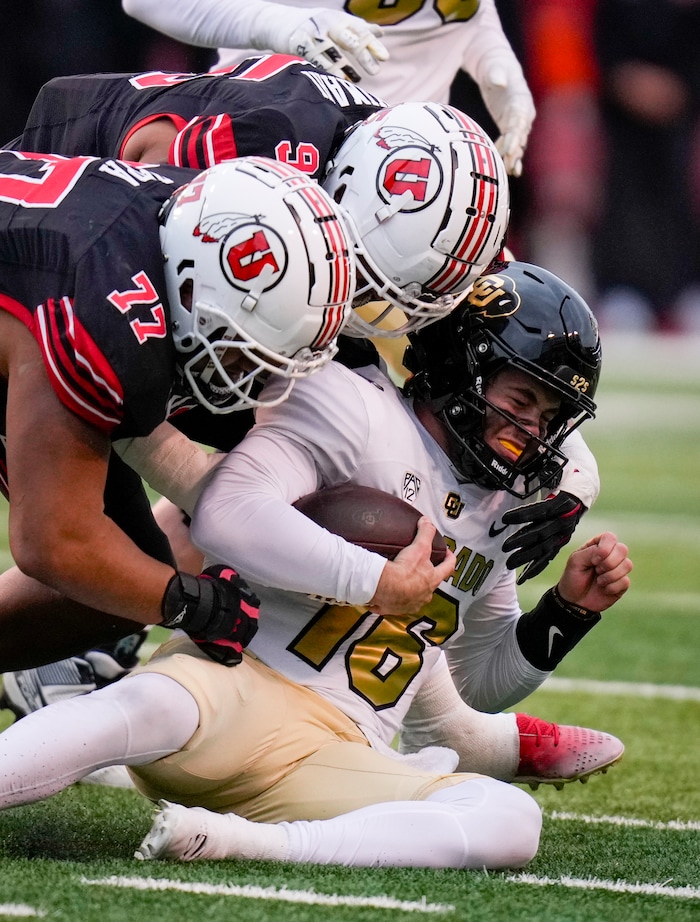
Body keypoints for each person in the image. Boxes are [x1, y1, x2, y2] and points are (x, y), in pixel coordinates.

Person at [0, 260, 631, 868]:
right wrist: (376, 581)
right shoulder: (355, 408)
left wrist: (566, 614)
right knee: (149, 708)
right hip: (232, 688)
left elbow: (478, 682)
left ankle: (246, 844)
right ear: (463, 366)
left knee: (510, 821)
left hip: (338, 751)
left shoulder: (506, 511)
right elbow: (225, 511)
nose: (530, 432)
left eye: (550, 417)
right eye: (521, 400)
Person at [0, 150, 357, 673]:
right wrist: (193, 605)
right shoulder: (100, 310)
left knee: (121, 582)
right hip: (46, 287)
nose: (256, 376)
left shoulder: (192, 217)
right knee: (109, 577)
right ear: (192, 287)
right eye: (245, 347)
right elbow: (54, 541)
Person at [121, 0, 536, 176]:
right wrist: (279, 25)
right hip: (280, 159)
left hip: (415, 174)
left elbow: (457, 11)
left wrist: (496, 60)